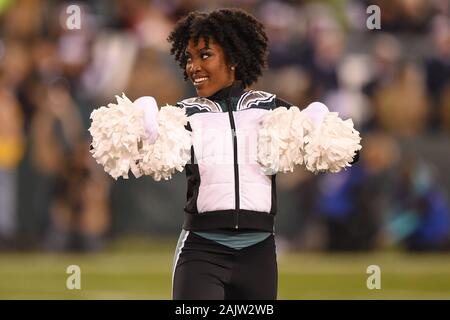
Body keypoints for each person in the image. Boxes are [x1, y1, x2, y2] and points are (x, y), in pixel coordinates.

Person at [89, 8, 361, 300]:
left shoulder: (272, 109)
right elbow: (121, 152)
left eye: (205, 55)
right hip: (201, 252)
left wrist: (320, 126)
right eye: (189, 58)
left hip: (259, 254)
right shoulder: (184, 115)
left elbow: (347, 153)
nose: (193, 67)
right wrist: (141, 124)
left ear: (233, 58)